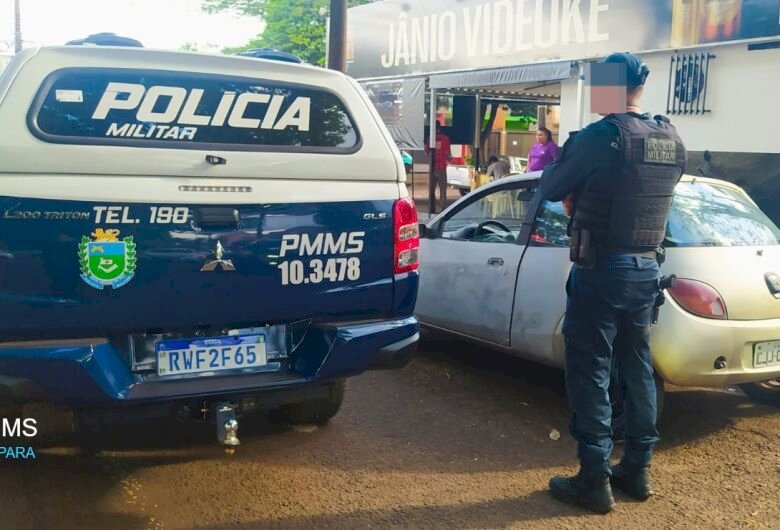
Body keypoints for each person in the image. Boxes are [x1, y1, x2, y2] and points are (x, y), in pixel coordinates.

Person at [540, 52, 687, 514]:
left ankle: (594, 479)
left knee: (591, 371)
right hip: (646, 270)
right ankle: (637, 470)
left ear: (610, 87)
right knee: (637, 368)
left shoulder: (601, 136)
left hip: (601, 270)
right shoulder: (669, 137)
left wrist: (575, 187)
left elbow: (549, 186)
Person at [425, 123, 452, 212]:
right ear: (440, 128)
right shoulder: (445, 139)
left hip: (433, 167)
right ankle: (442, 209)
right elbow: (448, 153)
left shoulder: (429, 139)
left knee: (431, 190)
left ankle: (432, 208)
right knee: (443, 189)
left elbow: (427, 153)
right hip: (442, 167)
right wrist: (448, 158)